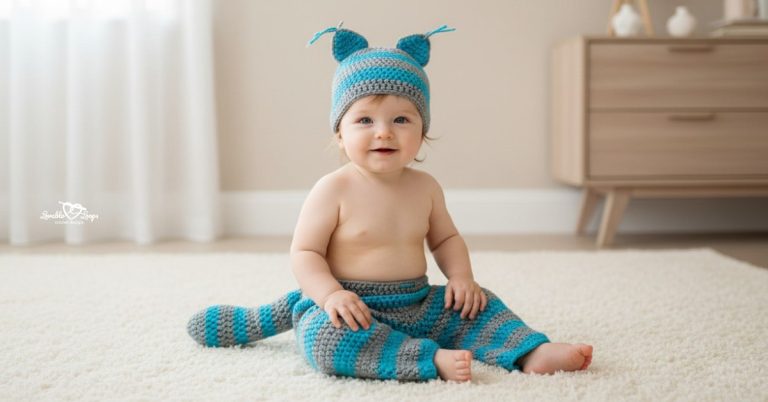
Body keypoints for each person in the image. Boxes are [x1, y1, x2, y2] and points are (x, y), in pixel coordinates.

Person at [187, 23, 593, 382]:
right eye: (364, 120)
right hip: (352, 307)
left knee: (479, 306)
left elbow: (446, 239)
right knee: (324, 340)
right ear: (340, 134)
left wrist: (461, 278)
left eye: (402, 120)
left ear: (422, 133)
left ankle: (528, 351)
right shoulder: (333, 189)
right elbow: (305, 252)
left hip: (418, 302)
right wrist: (330, 296)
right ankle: (426, 359)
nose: (384, 133)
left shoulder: (426, 187)